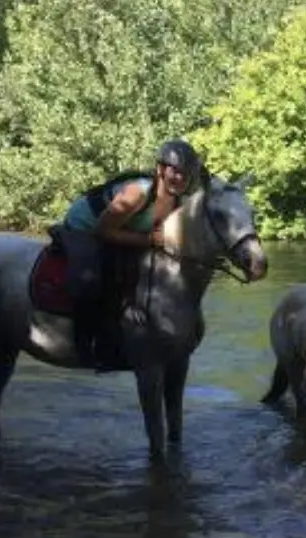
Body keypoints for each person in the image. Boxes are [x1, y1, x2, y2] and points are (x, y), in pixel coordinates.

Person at [60, 139, 202, 368]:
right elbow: (102, 231)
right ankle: (85, 346)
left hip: (125, 230)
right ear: (160, 169)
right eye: (175, 171)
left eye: (186, 174)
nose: (180, 178)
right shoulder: (138, 192)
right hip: (85, 227)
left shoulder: (178, 202)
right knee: (91, 279)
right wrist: (148, 240)